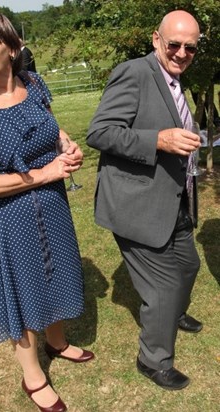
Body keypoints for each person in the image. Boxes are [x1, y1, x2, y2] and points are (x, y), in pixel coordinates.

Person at [0, 11, 93, 412]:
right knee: (21, 289)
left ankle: (57, 341)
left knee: (58, 268)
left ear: (12, 48)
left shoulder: (32, 83)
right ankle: (33, 377)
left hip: (53, 205)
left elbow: (51, 127)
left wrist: (67, 145)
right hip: (8, 216)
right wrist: (45, 173)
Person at [87, 10, 202, 391]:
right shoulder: (135, 72)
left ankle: (172, 314)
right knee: (164, 285)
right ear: (156, 40)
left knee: (187, 266)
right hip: (137, 204)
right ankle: (152, 360)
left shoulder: (173, 77)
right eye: (174, 44)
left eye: (190, 47)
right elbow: (101, 132)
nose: (182, 53)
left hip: (173, 199)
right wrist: (158, 140)